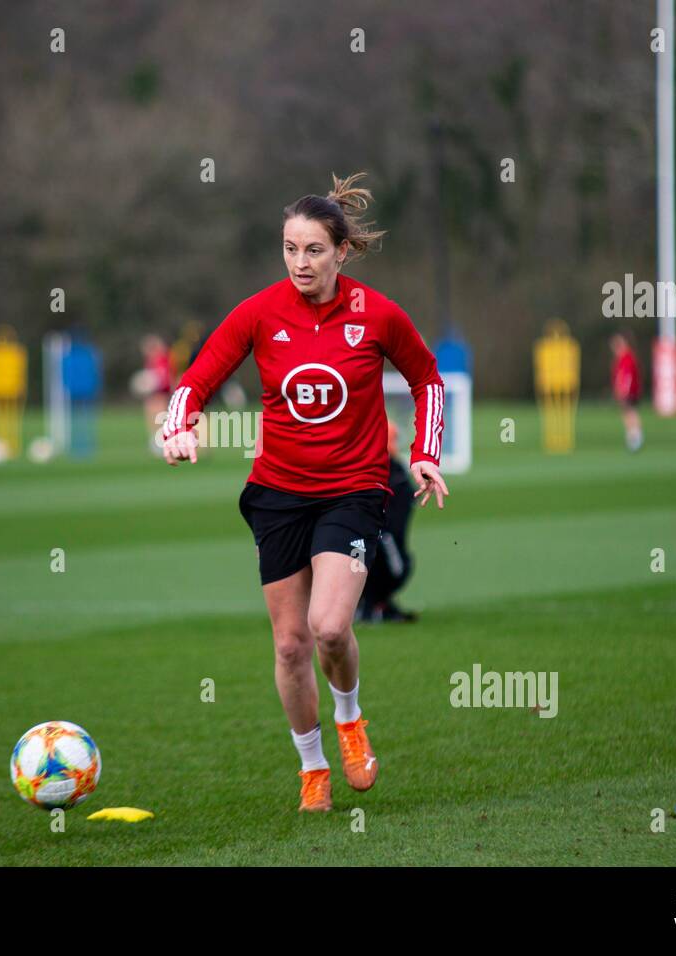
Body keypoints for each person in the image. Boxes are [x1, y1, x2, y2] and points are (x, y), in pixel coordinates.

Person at [162, 172, 447, 812]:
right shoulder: (260, 312)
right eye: (290, 249)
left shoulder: (376, 314)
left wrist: (425, 454)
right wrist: (180, 426)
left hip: (354, 488)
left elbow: (428, 379)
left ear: (341, 252)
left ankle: (350, 719)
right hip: (277, 493)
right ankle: (312, 766)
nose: (300, 262)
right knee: (289, 644)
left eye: (313, 250)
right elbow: (197, 378)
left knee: (328, 628)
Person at [356, 420, 420, 624]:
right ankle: (370, 605)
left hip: (368, 542)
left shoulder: (393, 474)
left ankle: (373, 604)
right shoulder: (395, 474)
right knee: (396, 566)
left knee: (393, 563)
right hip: (373, 542)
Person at [610, 332, 643, 452]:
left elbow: (627, 376)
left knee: (630, 413)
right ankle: (632, 436)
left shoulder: (627, 358)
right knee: (628, 413)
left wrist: (624, 391)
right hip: (627, 390)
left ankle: (635, 437)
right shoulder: (622, 358)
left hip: (629, 391)